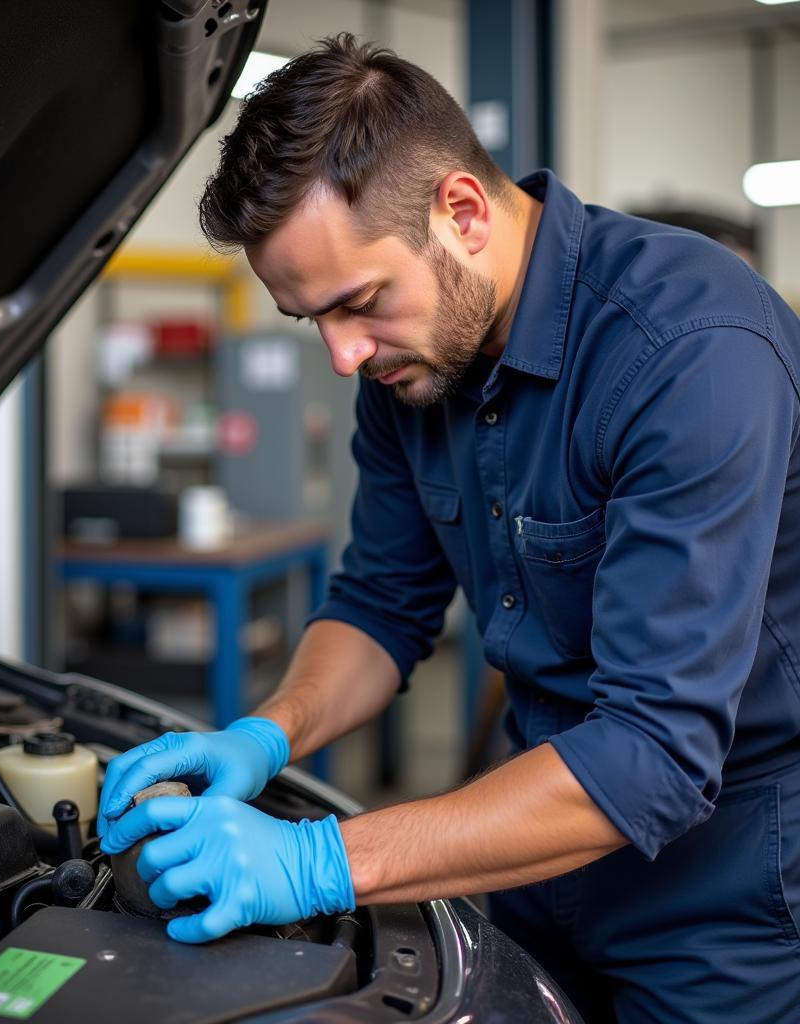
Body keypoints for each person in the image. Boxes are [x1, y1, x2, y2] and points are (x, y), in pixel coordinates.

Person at [97, 34, 800, 1023]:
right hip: (528, 833)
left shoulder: (689, 349)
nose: (342, 356)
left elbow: (653, 754)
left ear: (461, 213)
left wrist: (318, 860)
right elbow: (381, 604)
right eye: (314, 323)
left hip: (723, 888)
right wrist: (265, 733)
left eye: (357, 303)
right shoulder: (410, 364)